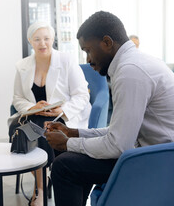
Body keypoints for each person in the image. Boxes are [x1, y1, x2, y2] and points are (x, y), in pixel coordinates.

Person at [44, 11, 174, 206]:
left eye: (88, 50)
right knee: (70, 157)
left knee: (64, 166)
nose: (87, 60)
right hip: (154, 153)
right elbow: (120, 132)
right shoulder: (135, 63)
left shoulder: (130, 72)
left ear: (106, 42)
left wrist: (66, 143)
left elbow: (118, 145)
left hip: (160, 161)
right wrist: (73, 133)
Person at [8, 21, 91, 206]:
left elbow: (82, 94)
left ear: (53, 39)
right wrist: (32, 106)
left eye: (46, 38)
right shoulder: (22, 66)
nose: (42, 43)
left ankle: (40, 190)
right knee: (16, 128)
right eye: (37, 39)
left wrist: (63, 109)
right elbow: (17, 97)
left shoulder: (66, 60)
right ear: (30, 40)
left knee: (41, 130)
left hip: (63, 117)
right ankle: (42, 181)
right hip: (34, 115)